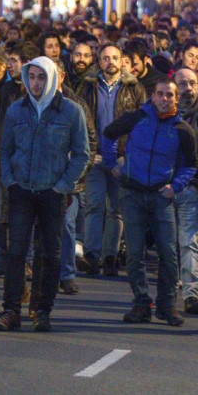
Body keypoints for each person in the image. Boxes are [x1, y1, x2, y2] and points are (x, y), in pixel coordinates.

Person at [0, 56, 89, 332]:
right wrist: (9, 181)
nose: (35, 83)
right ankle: (11, 310)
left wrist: (64, 185)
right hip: (21, 190)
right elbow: (5, 149)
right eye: (32, 77)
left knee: (51, 254)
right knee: (16, 252)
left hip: (52, 192)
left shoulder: (71, 112)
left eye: (41, 77)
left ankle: (42, 310)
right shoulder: (15, 111)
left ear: (53, 79)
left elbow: (82, 154)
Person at [102, 79, 197, 327]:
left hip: (160, 197)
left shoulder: (183, 130)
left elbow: (190, 166)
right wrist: (112, 164)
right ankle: (141, 303)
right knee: (134, 254)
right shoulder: (136, 118)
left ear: (176, 98)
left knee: (168, 254)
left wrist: (174, 187)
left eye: (169, 95)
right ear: (152, 96)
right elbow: (108, 135)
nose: (164, 99)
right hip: (132, 194)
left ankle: (167, 306)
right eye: (160, 94)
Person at [75, 44, 147, 276]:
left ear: (122, 60)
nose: (110, 62)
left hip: (122, 158)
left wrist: (130, 156)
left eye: (115, 58)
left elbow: (142, 123)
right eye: (106, 58)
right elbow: (80, 118)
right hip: (94, 155)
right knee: (94, 205)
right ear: (99, 60)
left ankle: (110, 255)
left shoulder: (134, 88)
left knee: (116, 209)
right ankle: (92, 255)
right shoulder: (87, 86)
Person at [172, 67, 198, 314]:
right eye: (183, 83)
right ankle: (168, 292)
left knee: (189, 241)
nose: (189, 88)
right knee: (168, 242)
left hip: (191, 188)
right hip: (163, 187)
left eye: (193, 83)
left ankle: (190, 294)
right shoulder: (160, 112)